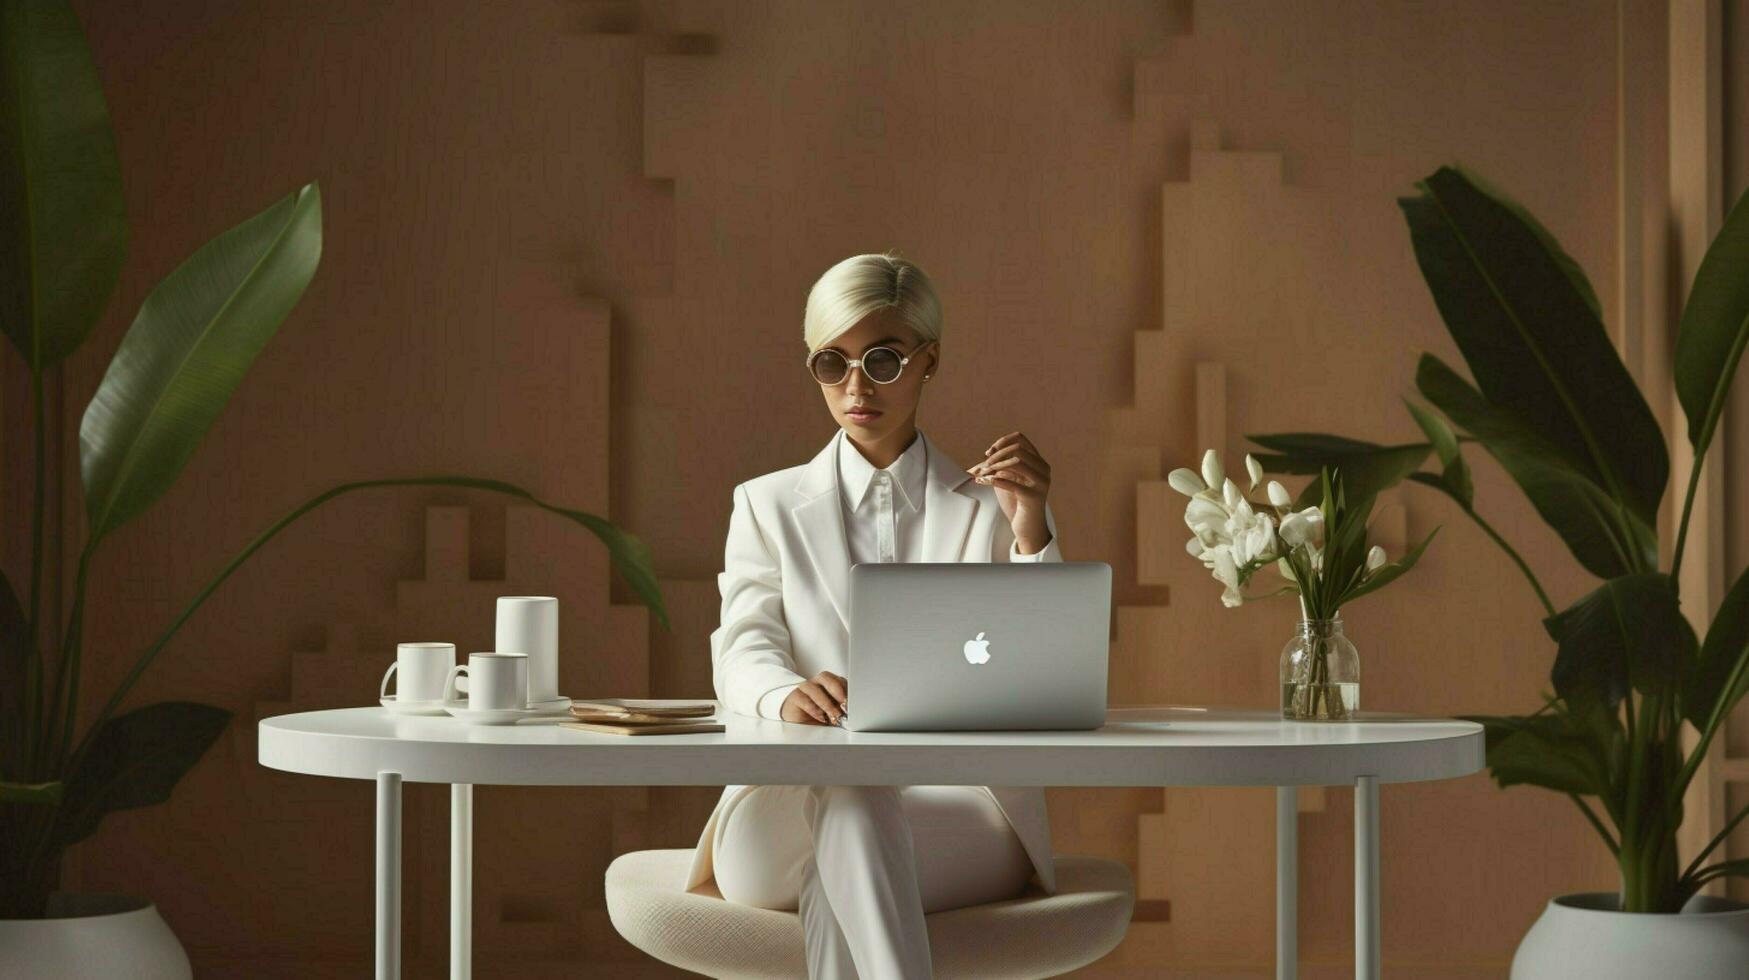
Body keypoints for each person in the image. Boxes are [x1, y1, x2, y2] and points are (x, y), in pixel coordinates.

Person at [682, 251, 1063, 978]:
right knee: (852, 791)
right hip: (776, 815)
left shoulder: (995, 507)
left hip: (962, 812)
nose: (856, 386)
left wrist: (1030, 530)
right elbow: (742, 645)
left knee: (853, 831)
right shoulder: (764, 503)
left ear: (930, 361)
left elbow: (1040, 669)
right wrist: (778, 693)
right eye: (832, 363)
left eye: (883, 360)